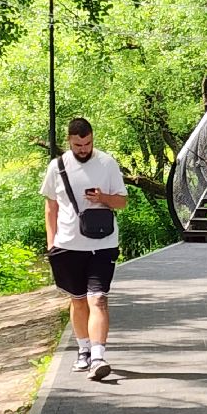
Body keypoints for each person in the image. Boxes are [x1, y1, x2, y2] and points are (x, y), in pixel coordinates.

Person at [41, 117, 128, 380]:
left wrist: (102, 198)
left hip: (103, 244)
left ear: (93, 139)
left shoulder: (107, 163)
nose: (83, 149)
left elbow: (122, 202)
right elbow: (50, 207)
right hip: (68, 245)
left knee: (98, 298)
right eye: (78, 144)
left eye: (88, 143)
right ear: (69, 141)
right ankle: (84, 350)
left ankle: (99, 357)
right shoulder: (57, 167)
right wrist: (51, 243)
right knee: (78, 300)